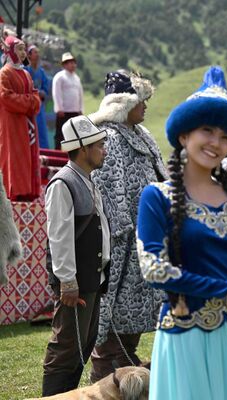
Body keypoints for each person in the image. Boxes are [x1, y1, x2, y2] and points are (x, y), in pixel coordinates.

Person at [137, 66, 227, 400]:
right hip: (184, 335)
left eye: (225, 136)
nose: (216, 142)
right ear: (184, 135)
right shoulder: (157, 196)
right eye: (207, 130)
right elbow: (154, 269)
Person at [89, 71, 167, 380]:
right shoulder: (108, 138)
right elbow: (109, 195)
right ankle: (108, 380)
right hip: (122, 247)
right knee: (114, 320)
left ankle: (124, 372)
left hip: (143, 242)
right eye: (141, 101)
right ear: (124, 105)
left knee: (129, 322)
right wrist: (121, 240)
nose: (146, 106)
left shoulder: (141, 135)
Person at [42, 116, 110, 395]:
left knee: (82, 346)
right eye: (99, 145)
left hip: (91, 280)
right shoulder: (63, 183)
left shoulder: (88, 180)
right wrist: (67, 281)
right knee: (66, 349)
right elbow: (59, 237)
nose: (104, 150)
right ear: (83, 149)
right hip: (76, 283)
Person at [0, 35, 41, 201]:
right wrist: (30, 102)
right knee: (13, 155)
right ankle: (12, 193)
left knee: (27, 157)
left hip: (27, 123)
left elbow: (36, 98)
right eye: (19, 48)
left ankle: (26, 193)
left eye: (24, 49)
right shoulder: (4, 73)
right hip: (12, 124)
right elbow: (6, 98)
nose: (23, 53)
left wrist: (31, 102)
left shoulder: (26, 74)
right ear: (9, 50)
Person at [52, 52, 83, 150]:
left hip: (74, 111)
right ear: (64, 64)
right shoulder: (59, 76)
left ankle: (72, 155)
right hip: (63, 112)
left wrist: (80, 109)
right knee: (60, 135)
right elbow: (56, 93)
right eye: (70, 63)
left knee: (73, 135)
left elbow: (80, 95)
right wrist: (59, 108)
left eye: (74, 62)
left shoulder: (77, 78)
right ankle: (57, 153)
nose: (73, 65)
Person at [25, 44, 50, 149]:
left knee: (42, 130)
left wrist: (43, 92)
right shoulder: (25, 71)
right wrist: (36, 92)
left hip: (40, 106)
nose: (38, 55)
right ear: (29, 55)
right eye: (35, 52)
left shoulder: (42, 72)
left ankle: (44, 152)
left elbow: (45, 87)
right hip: (29, 106)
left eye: (38, 52)